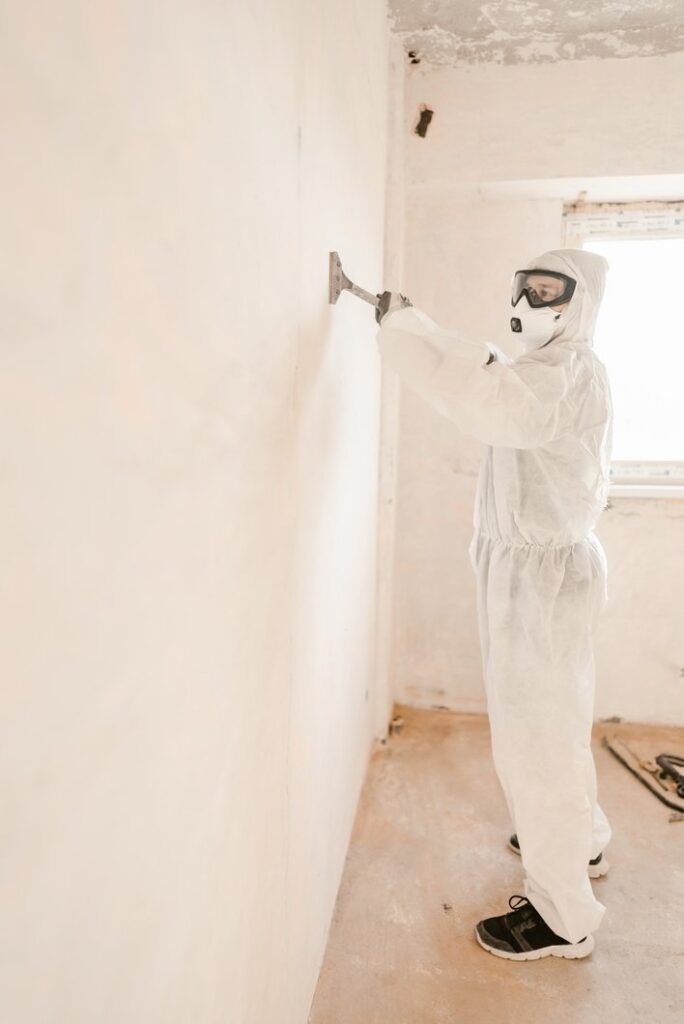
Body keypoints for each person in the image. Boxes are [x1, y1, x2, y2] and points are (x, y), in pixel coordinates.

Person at [374, 249, 613, 961]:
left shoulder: (562, 374)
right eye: (528, 289)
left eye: (551, 292)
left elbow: (489, 399)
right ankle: (583, 839)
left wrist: (408, 329)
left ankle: (565, 917)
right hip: (540, 569)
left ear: (581, 302)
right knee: (556, 718)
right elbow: (497, 386)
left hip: (540, 578)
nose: (535, 304)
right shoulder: (556, 369)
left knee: (536, 735)